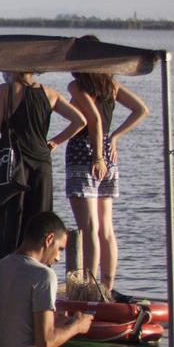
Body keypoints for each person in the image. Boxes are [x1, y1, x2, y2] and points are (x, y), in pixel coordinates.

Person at [0, 211, 168, 347]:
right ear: (49, 239)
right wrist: (77, 326)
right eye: (60, 249)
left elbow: (9, 322)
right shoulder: (42, 275)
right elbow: (44, 343)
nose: (59, 258)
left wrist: (57, 323)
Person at [0, 71, 83, 273]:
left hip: (14, 165)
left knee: (7, 222)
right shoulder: (50, 94)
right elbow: (79, 120)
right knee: (39, 224)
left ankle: (4, 275)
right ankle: (36, 272)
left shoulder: (5, 91)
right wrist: (55, 142)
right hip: (42, 165)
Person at [65, 71, 148, 296]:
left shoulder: (76, 86)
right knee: (106, 228)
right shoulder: (111, 85)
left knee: (89, 227)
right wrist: (114, 137)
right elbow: (141, 109)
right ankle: (107, 287)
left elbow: (94, 119)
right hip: (108, 154)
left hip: (85, 152)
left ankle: (91, 289)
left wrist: (97, 156)